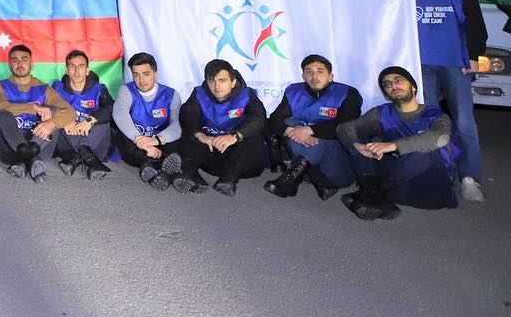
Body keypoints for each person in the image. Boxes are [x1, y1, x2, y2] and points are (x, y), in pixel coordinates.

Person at [397, 0, 488, 202]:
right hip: (420, 64)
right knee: (428, 123)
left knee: (464, 121)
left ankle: (469, 177)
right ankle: (437, 173)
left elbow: (474, 19)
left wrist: (474, 55)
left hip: (455, 62)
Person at [336, 66, 459, 219]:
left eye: (399, 81)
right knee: (361, 141)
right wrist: (358, 146)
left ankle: (372, 194)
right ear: (387, 95)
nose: (393, 85)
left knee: (424, 151)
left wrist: (393, 145)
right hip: (396, 180)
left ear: (413, 88)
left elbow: (440, 137)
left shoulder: (434, 115)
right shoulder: (382, 113)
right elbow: (345, 128)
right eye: (387, 84)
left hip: (429, 181)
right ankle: (375, 196)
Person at [264, 54, 361, 200]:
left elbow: (346, 125)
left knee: (321, 135)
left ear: (330, 76)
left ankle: (298, 175)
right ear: (303, 76)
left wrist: (310, 130)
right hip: (309, 158)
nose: (314, 76)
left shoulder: (347, 93)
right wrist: (289, 131)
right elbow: (275, 119)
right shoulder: (294, 91)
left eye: (320, 71)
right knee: (289, 123)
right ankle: (300, 176)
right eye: (309, 71)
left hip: (338, 166)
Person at [173, 59, 267, 195]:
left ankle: (229, 179)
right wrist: (201, 135)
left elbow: (258, 118)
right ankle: (190, 174)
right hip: (211, 153)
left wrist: (235, 136)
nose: (216, 86)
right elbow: (188, 114)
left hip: (239, 160)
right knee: (190, 133)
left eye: (222, 80)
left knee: (254, 136)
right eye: (212, 80)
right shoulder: (199, 93)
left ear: (233, 82)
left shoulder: (247, 95)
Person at [0, 44, 74, 181]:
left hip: (39, 145)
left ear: (32, 64)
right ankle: (30, 158)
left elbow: (70, 112)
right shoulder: (1, 85)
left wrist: (51, 123)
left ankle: (24, 160)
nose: (19, 63)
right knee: (4, 114)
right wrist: (34, 108)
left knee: (54, 112)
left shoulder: (44, 88)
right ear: (9, 65)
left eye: (24, 59)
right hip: (10, 146)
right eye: (15, 60)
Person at [112, 52, 184, 190]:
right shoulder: (126, 91)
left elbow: (178, 126)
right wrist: (142, 142)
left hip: (160, 142)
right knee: (121, 131)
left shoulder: (171, 95)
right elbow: (119, 115)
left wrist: (157, 140)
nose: (141, 80)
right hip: (136, 145)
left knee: (179, 137)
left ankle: (156, 169)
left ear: (155, 74)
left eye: (146, 74)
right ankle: (150, 165)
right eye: (136, 75)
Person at [49, 50, 114, 179]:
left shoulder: (99, 89)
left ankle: (79, 155)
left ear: (87, 70)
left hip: (93, 142)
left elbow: (111, 109)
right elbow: (47, 108)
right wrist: (65, 120)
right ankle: (88, 158)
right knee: (54, 117)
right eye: (72, 66)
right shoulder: (57, 87)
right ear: (67, 70)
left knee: (103, 119)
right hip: (67, 143)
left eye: (81, 66)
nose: (77, 71)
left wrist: (90, 120)